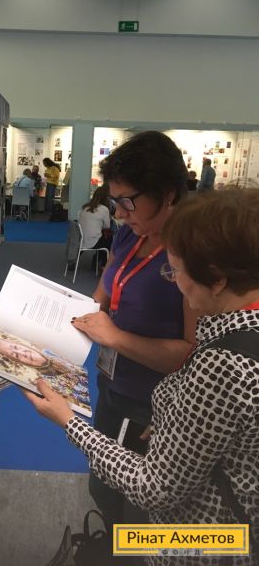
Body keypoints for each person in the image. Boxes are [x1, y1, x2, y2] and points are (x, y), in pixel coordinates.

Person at [24, 188, 259, 565]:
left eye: (176, 271)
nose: (174, 281)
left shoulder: (222, 365)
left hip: (203, 542)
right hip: (223, 525)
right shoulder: (238, 328)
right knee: (120, 533)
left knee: (129, 538)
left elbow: (154, 487)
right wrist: (175, 421)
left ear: (216, 279)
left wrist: (68, 421)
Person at [60, 131, 199, 528]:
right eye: (114, 201)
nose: (119, 214)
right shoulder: (128, 234)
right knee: (104, 482)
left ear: (167, 195)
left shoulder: (191, 253)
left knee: (141, 503)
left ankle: (128, 549)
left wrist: (116, 337)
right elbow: (103, 294)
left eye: (127, 202)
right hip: (112, 382)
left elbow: (191, 351)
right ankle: (110, 542)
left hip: (155, 403)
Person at [0, 327, 90, 411]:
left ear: (18, 343)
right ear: (17, 362)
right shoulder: (45, 383)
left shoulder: (49, 351)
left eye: (15, 347)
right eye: (15, 355)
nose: (22, 353)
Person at [77, 185, 113, 268]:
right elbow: (107, 226)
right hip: (93, 241)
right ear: (106, 198)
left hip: (81, 239)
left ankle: (95, 262)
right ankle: (102, 265)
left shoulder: (84, 207)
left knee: (103, 238)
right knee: (108, 239)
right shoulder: (104, 209)